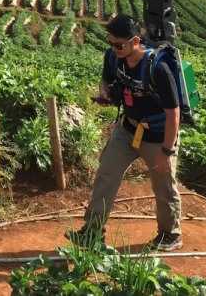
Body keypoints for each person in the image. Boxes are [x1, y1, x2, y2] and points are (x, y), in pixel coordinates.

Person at [67, 14, 182, 251]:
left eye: (119, 44)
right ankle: (92, 232)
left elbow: (174, 113)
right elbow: (106, 81)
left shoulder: (157, 68)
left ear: (136, 41)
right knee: (106, 175)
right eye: (110, 43)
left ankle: (170, 234)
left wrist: (166, 150)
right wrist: (106, 95)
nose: (114, 48)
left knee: (163, 183)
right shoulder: (113, 57)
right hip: (127, 128)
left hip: (158, 134)